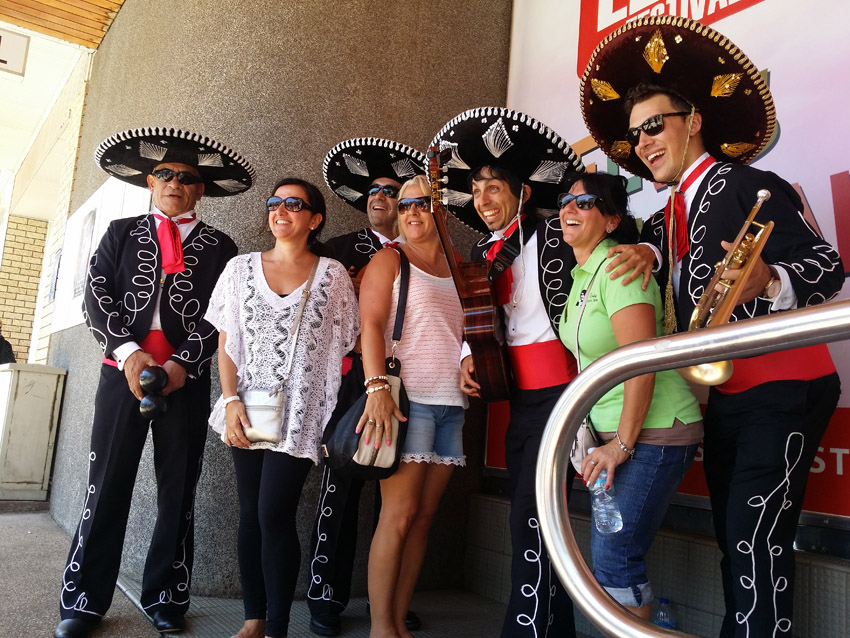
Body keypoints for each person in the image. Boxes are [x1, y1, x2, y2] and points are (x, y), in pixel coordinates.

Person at [580, 16, 843, 636]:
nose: (642, 141)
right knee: (739, 541)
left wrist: (770, 278)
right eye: (634, 134)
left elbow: (827, 266)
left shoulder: (748, 181)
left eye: (654, 125)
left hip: (783, 386)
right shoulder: (668, 212)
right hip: (728, 393)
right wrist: (651, 253)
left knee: (755, 542)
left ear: (692, 122)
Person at [431, 106, 653, 638]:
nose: (483, 200)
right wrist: (467, 353)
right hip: (520, 399)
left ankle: (527, 629)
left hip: (566, 392)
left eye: (494, 188)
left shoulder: (556, 231)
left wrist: (646, 250)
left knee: (534, 518)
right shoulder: (481, 252)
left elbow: (633, 238)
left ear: (523, 193)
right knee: (532, 518)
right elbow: (479, 316)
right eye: (477, 191)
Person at [56, 127, 253, 638]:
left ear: (200, 190)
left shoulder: (220, 246)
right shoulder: (121, 231)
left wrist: (182, 364)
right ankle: (83, 599)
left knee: (178, 489)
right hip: (120, 374)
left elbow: (223, 315)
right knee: (107, 484)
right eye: (165, 174)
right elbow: (96, 296)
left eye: (187, 178)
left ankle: (166, 596)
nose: (175, 183)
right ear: (150, 180)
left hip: (184, 381)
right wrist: (128, 352)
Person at [206, 177, 360, 638]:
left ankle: (276, 626)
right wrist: (230, 399)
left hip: (301, 412)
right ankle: (254, 619)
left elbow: (348, 339)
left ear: (314, 220)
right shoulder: (239, 269)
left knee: (275, 511)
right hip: (248, 407)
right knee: (251, 512)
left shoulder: (332, 275)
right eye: (275, 203)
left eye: (295, 204)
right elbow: (227, 342)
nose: (281, 210)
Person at [557, 171, 703, 619]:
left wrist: (620, 445)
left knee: (615, 560)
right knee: (613, 560)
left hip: (652, 431)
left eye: (585, 203)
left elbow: (641, 363)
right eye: (566, 200)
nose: (569, 209)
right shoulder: (583, 273)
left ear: (612, 219)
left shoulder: (620, 267)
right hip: (611, 438)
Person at [308, 138, 425, 636]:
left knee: (395, 492)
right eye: (374, 190)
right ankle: (324, 598)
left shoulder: (423, 253)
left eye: (392, 190)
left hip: (409, 380)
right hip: (348, 379)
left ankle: (390, 608)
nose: (381, 196)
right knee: (342, 482)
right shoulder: (337, 250)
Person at [357, 175, 467, 638]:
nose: (413, 212)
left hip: (453, 404)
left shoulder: (458, 264)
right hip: (407, 402)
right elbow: (372, 324)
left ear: (439, 210)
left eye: (422, 204)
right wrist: (376, 386)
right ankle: (382, 628)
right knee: (397, 517)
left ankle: (400, 622)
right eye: (404, 207)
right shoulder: (391, 258)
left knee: (423, 519)